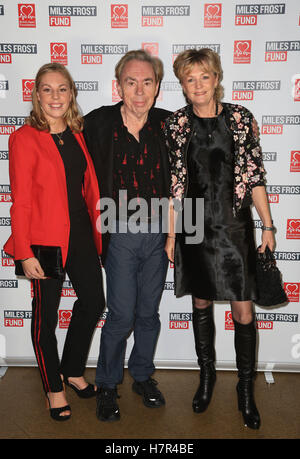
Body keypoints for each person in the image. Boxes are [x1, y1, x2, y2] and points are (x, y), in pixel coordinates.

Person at [164, 49, 275, 430]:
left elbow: (254, 175)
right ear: (182, 85)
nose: (197, 85)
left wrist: (269, 226)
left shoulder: (241, 119)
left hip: (234, 225)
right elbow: (176, 185)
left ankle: (246, 391)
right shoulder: (177, 123)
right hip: (194, 223)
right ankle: (206, 379)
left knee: (243, 310)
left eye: (203, 77)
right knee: (200, 302)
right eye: (189, 79)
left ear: (216, 78)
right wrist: (170, 235)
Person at [4, 63, 105, 421]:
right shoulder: (25, 137)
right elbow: (22, 199)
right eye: (47, 89)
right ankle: (54, 387)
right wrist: (24, 250)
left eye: (62, 89)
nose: (55, 97)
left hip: (80, 234)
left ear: (72, 93)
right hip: (44, 241)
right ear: (37, 95)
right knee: (45, 318)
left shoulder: (77, 133)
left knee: (93, 301)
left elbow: (86, 188)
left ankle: (72, 369)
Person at [84, 50, 171, 422]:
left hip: (160, 233)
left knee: (148, 313)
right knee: (121, 314)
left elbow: (188, 179)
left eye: (147, 82)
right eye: (131, 82)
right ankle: (106, 383)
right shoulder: (97, 123)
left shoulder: (171, 124)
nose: (139, 90)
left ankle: (142, 375)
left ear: (157, 88)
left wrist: (180, 234)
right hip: (117, 230)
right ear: (118, 85)